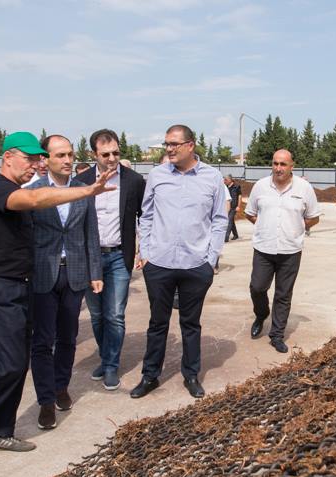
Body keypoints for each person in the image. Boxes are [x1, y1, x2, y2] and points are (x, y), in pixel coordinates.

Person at [0, 132, 116, 462]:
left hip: (22, 284)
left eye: (38, 158)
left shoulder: (14, 187)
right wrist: (88, 189)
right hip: (0, 287)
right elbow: (35, 200)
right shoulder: (0, 189)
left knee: (17, 362)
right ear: (8, 157)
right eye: (29, 158)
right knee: (8, 362)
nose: (34, 164)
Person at [129, 124, 226, 400]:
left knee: (191, 324)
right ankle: (150, 376)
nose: (169, 149)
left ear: (190, 145)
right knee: (157, 323)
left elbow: (219, 220)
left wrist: (210, 259)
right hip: (159, 263)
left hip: (196, 264)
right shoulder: (157, 175)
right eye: (167, 144)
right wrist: (146, 252)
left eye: (174, 144)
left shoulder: (212, 177)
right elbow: (146, 215)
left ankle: (191, 375)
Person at [27, 134, 102, 431]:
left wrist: (95, 272)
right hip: (43, 274)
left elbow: (91, 234)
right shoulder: (32, 193)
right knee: (42, 340)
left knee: (68, 337)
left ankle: (61, 386)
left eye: (70, 154)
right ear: (45, 159)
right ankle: (45, 400)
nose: (68, 160)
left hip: (75, 273)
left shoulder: (84, 190)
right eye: (60, 155)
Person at [73, 128, 146, 392]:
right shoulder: (80, 182)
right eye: (105, 154)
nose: (112, 158)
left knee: (114, 314)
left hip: (118, 256)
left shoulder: (133, 181)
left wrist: (143, 249)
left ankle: (111, 365)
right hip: (89, 259)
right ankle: (105, 358)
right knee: (96, 314)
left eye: (116, 153)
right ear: (94, 154)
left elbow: (144, 216)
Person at [244, 149, 321, 354]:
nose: (278, 168)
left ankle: (276, 335)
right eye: (275, 163)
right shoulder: (260, 186)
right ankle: (261, 314)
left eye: (283, 164)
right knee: (257, 287)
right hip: (263, 248)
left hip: (290, 250)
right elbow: (250, 213)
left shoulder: (304, 188)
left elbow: (314, 217)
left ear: (291, 166)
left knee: (283, 294)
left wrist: (298, 227)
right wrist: (263, 226)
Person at [224, 174, 242, 241]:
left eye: (226, 180)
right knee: (231, 221)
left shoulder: (236, 187)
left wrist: (238, 206)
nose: (224, 181)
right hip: (227, 206)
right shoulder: (225, 187)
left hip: (234, 207)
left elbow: (240, 196)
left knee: (229, 220)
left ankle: (226, 237)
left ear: (230, 179)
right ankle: (236, 235)